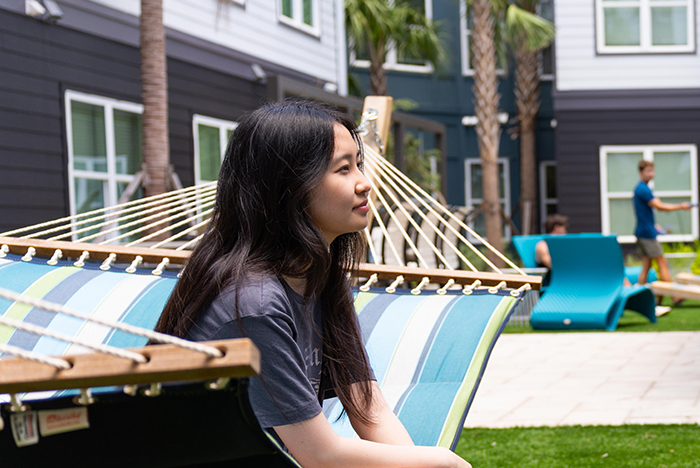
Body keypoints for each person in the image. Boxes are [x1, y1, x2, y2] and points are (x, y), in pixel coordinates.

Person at [151, 100, 471, 468]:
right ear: (289, 187)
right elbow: (320, 455)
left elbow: (369, 410)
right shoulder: (253, 304)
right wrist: (443, 462)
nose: (365, 183)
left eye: (359, 165)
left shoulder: (316, 278)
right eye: (343, 169)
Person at [634, 159, 693, 286]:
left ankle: (639, 291)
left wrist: (654, 225)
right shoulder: (642, 189)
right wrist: (681, 206)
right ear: (641, 172)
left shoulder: (642, 188)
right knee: (662, 261)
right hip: (647, 233)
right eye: (648, 171)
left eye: (652, 171)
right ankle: (674, 294)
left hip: (644, 230)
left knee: (646, 264)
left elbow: (644, 212)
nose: (651, 174)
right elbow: (660, 207)